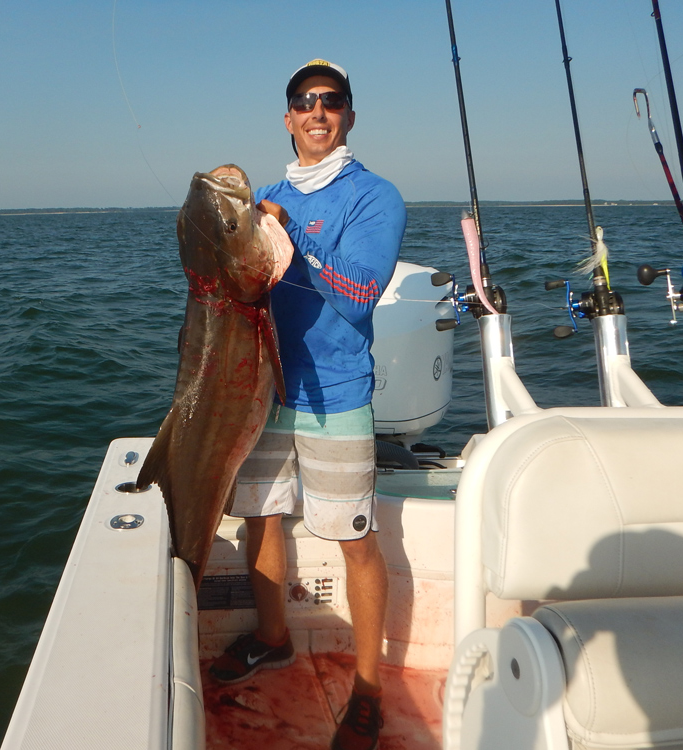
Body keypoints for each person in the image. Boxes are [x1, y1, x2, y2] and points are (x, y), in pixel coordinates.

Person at [208, 59, 406, 750]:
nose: (316, 112)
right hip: (263, 391)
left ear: (349, 114)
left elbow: (359, 294)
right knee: (260, 517)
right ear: (288, 117)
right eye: (303, 101)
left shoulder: (375, 197)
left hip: (336, 392)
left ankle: (370, 689)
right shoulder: (258, 197)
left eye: (330, 100)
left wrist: (297, 234)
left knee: (353, 539)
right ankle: (273, 638)